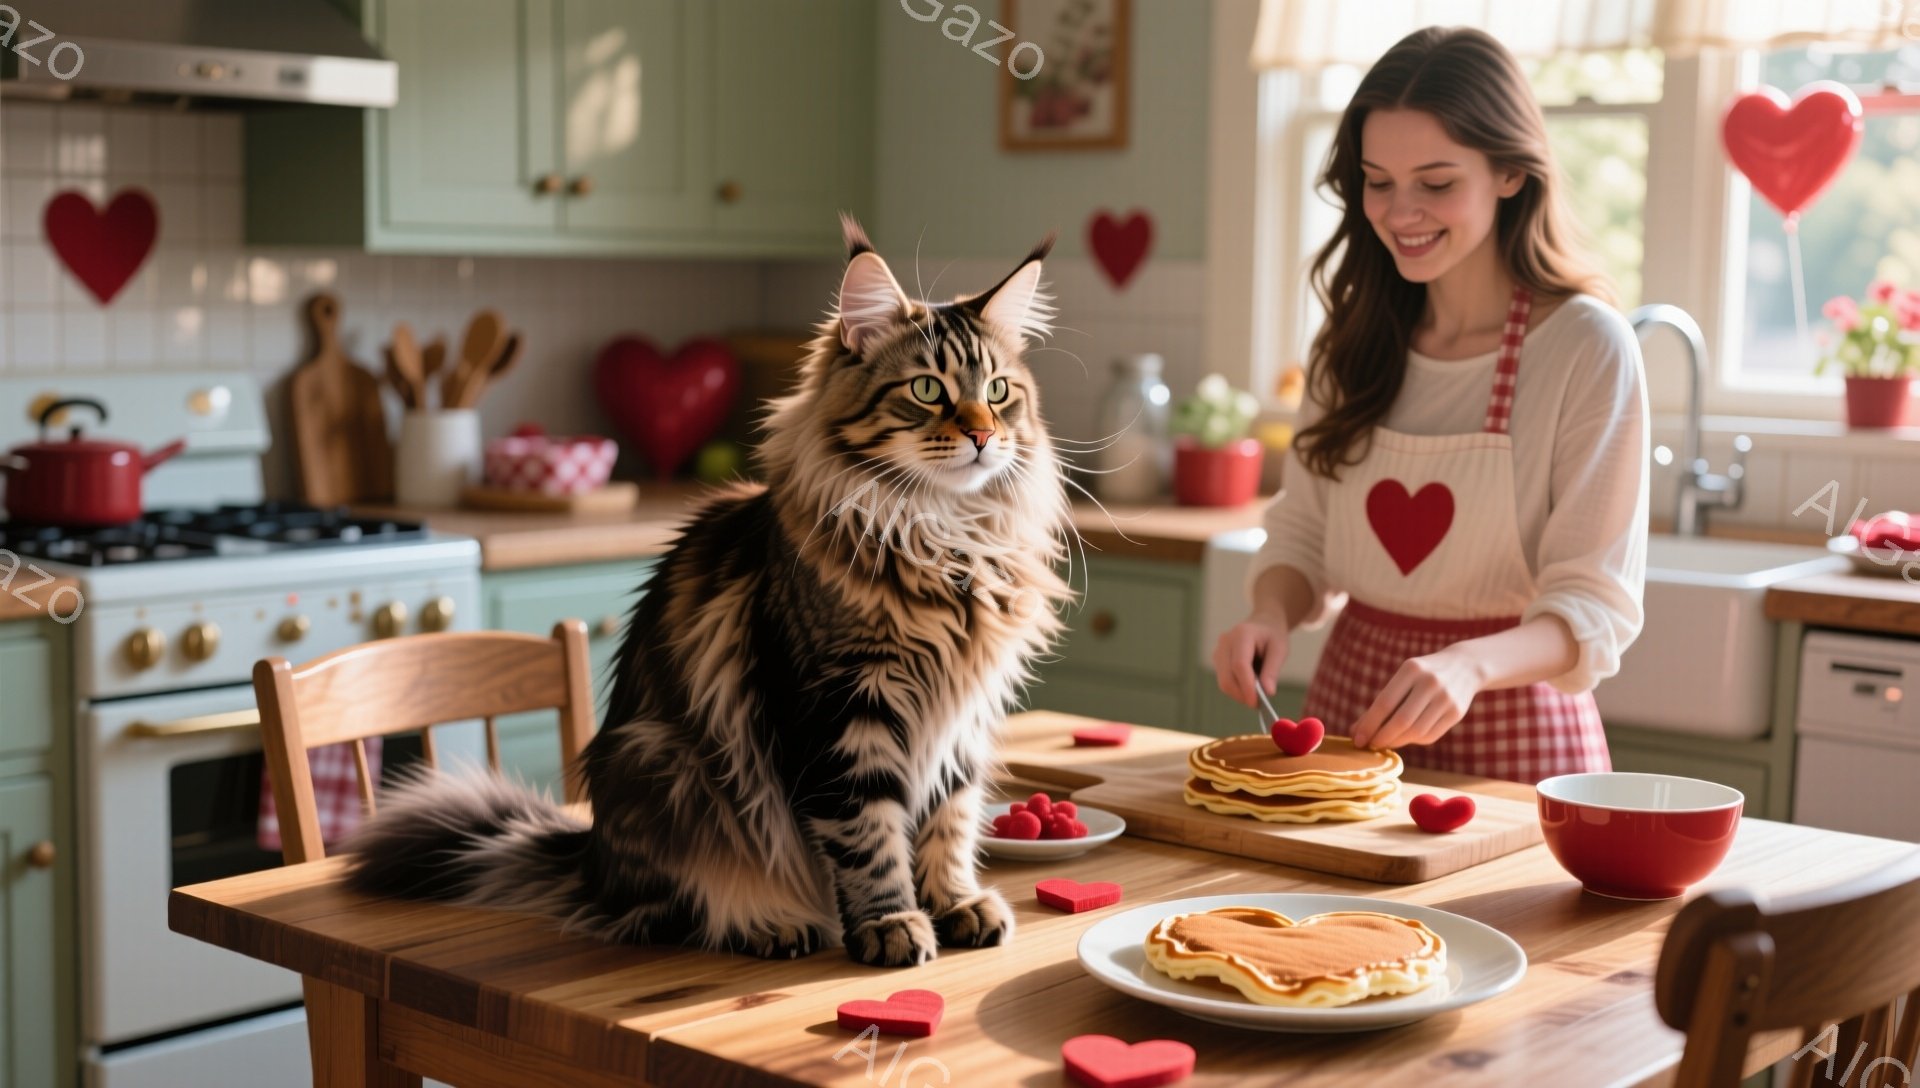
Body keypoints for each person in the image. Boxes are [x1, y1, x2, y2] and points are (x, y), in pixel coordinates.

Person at [1212, 26, 1649, 785]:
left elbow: (1593, 605)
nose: (1400, 211)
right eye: (1378, 181)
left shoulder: (1586, 346)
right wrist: (1270, 615)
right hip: (1355, 711)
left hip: (1518, 721)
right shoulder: (1351, 341)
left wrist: (1470, 665)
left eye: (1437, 182)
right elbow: (1304, 538)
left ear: (1510, 172)